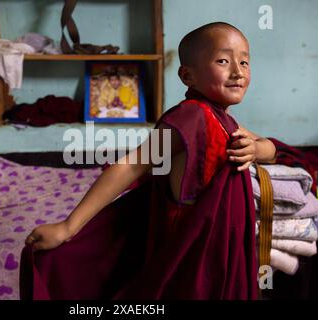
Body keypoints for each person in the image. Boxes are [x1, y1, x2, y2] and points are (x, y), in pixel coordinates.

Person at [20, 22, 277, 300]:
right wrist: (68, 227)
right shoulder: (192, 117)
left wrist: (256, 150)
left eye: (244, 62)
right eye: (223, 61)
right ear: (187, 75)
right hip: (193, 252)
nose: (238, 72)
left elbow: (271, 148)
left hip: (221, 246)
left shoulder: (224, 120)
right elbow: (132, 165)